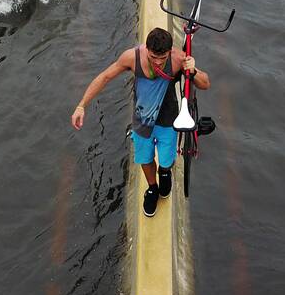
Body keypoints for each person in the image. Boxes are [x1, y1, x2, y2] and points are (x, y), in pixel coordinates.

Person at [71, 27, 210, 217]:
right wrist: (81, 105)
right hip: (142, 121)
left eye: (163, 58)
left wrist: (192, 71)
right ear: (146, 49)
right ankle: (152, 188)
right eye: (154, 58)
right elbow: (105, 77)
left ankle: (164, 173)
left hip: (168, 120)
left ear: (170, 51)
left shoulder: (178, 59)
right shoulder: (131, 58)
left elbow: (205, 84)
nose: (159, 63)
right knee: (145, 159)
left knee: (166, 159)